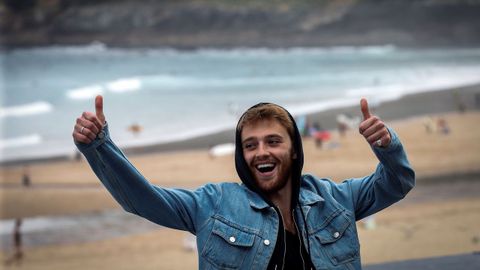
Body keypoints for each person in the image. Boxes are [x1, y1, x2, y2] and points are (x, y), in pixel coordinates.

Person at [73, 96, 415, 270]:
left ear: (294, 150)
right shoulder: (212, 204)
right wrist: (99, 146)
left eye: (273, 141)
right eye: (250, 145)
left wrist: (386, 146)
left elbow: (396, 182)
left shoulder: (335, 198)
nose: (260, 152)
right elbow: (143, 200)